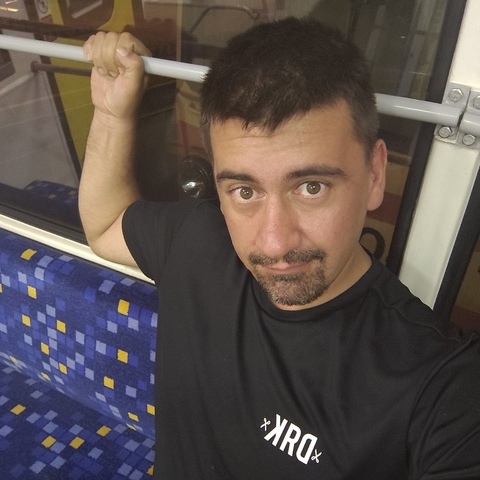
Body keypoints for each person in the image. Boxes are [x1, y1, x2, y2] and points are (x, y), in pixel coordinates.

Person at [80, 17, 480, 480]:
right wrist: (111, 113)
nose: (273, 242)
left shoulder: (440, 385)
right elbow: (105, 226)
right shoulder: (196, 238)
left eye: (311, 187)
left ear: (374, 175)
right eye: (244, 191)